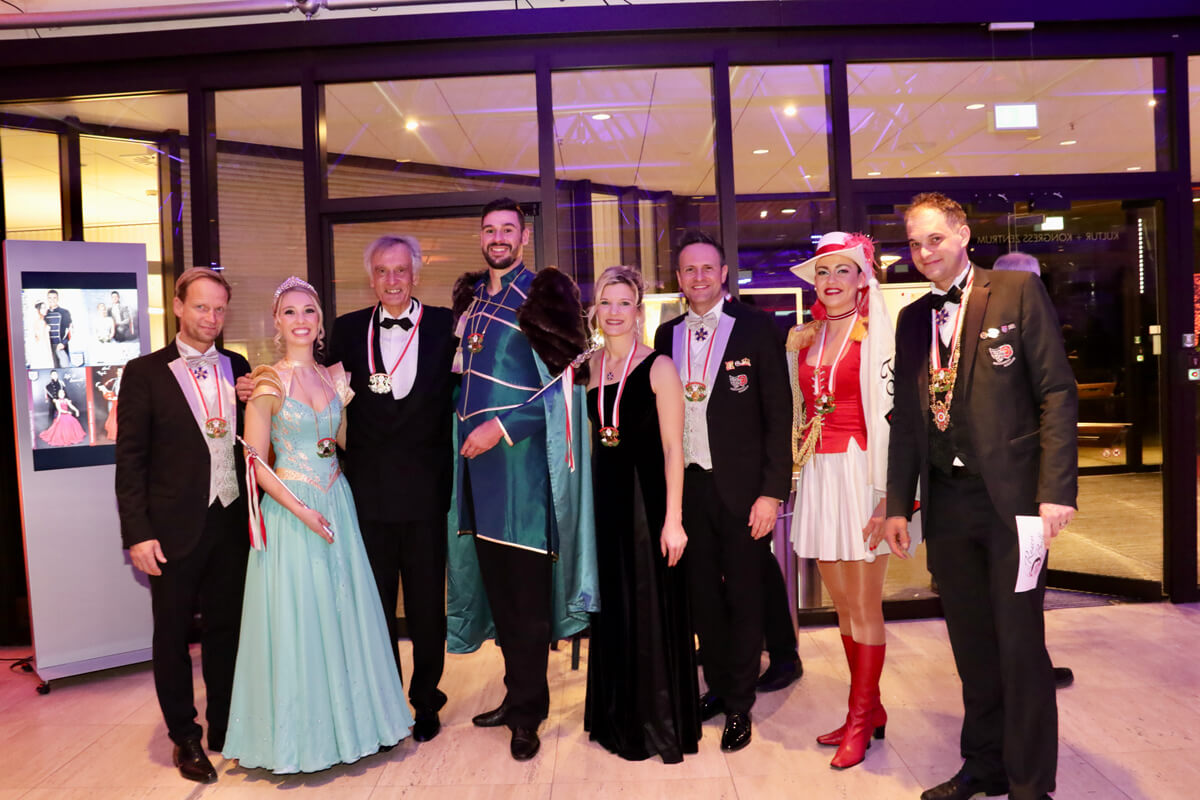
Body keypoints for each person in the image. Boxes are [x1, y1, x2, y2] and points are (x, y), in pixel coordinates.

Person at [883, 193, 1077, 800]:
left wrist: (1055, 491)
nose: (924, 253)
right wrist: (898, 504)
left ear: (963, 234)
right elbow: (907, 419)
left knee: (1019, 644)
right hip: (947, 504)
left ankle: (1029, 783)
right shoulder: (912, 319)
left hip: (1015, 505)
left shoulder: (1016, 292)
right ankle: (984, 764)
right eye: (915, 244)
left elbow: (1056, 392)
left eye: (935, 239)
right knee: (970, 643)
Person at [223, 276, 412, 774]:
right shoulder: (266, 382)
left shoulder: (336, 380)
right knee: (301, 621)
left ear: (321, 321)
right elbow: (254, 463)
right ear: (276, 322)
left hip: (338, 503)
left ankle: (356, 727)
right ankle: (300, 742)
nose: (300, 320)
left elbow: (349, 440)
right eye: (289, 312)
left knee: (345, 614)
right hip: (293, 512)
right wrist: (302, 511)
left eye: (308, 310)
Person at [449, 197, 598, 762]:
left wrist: (502, 428)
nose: (498, 238)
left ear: (524, 237)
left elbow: (569, 390)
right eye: (489, 229)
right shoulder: (471, 300)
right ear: (480, 236)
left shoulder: (545, 295)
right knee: (502, 600)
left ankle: (529, 713)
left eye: (508, 229)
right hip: (477, 474)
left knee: (528, 603)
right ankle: (516, 696)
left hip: (524, 474)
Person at [653, 230, 792, 752]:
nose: (699, 277)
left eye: (707, 268)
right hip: (687, 489)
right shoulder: (666, 335)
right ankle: (717, 684)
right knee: (702, 598)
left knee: (745, 596)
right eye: (689, 269)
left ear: (724, 273)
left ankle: (740, 704)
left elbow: (779, 414)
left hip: (744, 491)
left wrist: (771, 493)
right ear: (678, 278)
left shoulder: (756, 327)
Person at [115, 267, 251, 784]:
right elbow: (131, 460)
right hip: (171, 528)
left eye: (219, 309)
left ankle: (225, 725)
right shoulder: (144, 372)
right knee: (172, 634)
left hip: (231, 521)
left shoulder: (239, 365)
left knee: (226, 629)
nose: (211, 318)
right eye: (201, 307)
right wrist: (137, 533)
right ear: (177, 306)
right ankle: (185, 736)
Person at [326, 235, 458, 742]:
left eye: (401, 270)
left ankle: (426, 699)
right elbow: (318, 388)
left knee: (427, 608)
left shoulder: (447, 324)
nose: (392, 280)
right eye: (382, 271)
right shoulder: (347, 329)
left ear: (416, 274)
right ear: (371, 278)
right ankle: (384, 704)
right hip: (370, 493)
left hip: (427, 492)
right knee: (376, 606)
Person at [786, 231, 897, 769]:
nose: (830, 280)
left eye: (842, 270)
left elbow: (896, 416)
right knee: (842, 604)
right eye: (823, 271)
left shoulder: (877, 332)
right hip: (820, 471)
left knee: (865, 603)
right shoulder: (806, 336)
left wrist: (888, 496)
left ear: (861, 278)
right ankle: (868, 709)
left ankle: (859, 718)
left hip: (862, 472)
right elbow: (799, 408)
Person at [583, 266, 699, 763]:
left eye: (624, 303)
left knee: (647, 608)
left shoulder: (659, 366)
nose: (614, 312)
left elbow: (675, 448)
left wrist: (674, 519)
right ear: (595, 309)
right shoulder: (588, 366)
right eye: (606, 302)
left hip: (647, 504)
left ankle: (653, 726)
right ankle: (615, 718)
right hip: (604, 503)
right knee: (613, 608)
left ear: (638, 311)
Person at [992, 251, 1076, 692]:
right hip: (1016, 484)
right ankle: (1022, 675)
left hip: (1028, 486)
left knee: (1025, 584)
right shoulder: (1010, 332)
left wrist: (1055, 489)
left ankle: (1026, 672)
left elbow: (1056, 402)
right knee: (1021, 589)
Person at [44, 289, 73, 368]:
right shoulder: (44, 313)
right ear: (47, 299)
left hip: (60, 345)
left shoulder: (64, 312)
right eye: (50, 298)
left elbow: (70, 330)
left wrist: (63, 343)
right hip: (48, 346)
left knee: (64, 368)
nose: (52, 300)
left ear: (58, 299)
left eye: (54, 298)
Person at [27, 301, 55, 368]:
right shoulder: (40, 322)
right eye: (43, 308)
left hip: (42, 348)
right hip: (43, 348)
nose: (45, 309)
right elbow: (42, 339)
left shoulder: (42, 320)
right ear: (38, 310)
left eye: (45, 307)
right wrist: (49, 353)